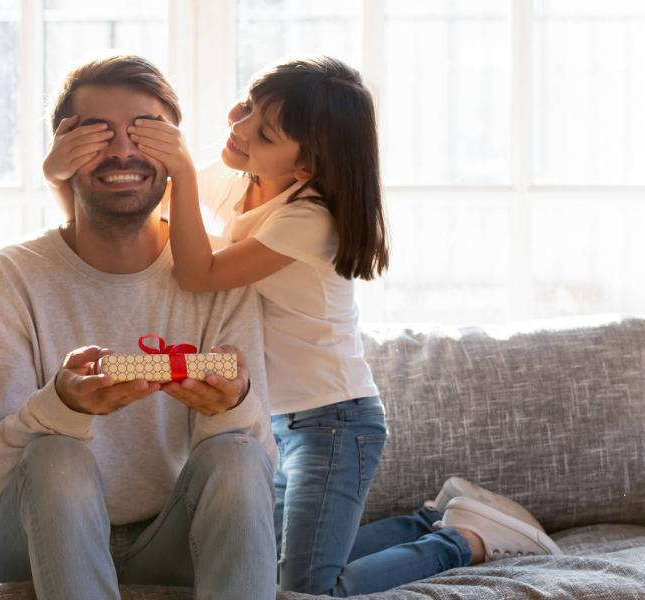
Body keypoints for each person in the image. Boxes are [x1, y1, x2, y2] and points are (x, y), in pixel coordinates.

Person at [44, 55, 561, 596]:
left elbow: (199, 272)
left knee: (307, 592)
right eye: (245, 107)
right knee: (272, 565)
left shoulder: (309, 217)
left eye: (261, 132)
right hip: (277, 420)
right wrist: (60, 170)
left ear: (305, 167)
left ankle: (461, 541)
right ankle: (429, 520)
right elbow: (137, 209)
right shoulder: (245, 178)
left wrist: (184, 170)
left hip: (335, 420)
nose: (238, 128)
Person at [0, 54, 277, 600]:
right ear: (63, 151)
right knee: (56, 454)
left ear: (175, 149)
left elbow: (255, 478)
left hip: (173, 543)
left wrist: (231, 404)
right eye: (98, 134)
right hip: (29, 547)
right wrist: (60, 408)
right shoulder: (12, 276)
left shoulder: (223, 273)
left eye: (146, 132)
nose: (124, 150)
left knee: (236, 455)